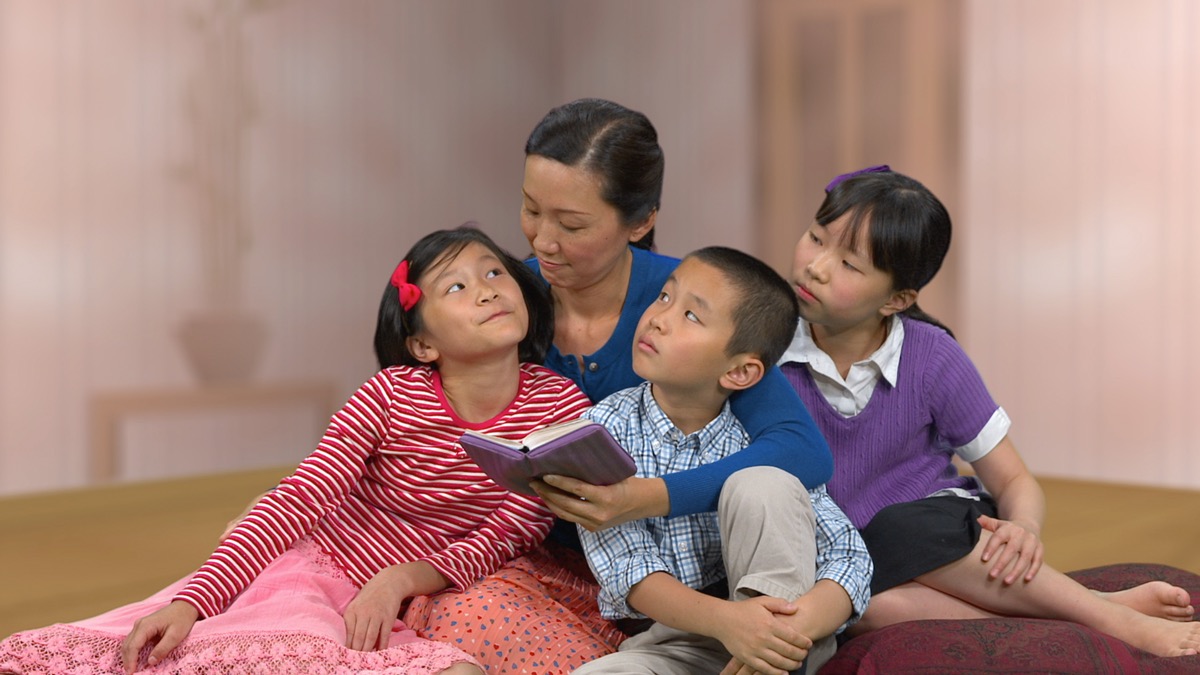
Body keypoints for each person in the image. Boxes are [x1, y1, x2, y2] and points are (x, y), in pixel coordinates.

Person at [0, 225, 594, 674]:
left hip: (419, 592)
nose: (487, 292)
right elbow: (301, 496)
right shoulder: (390, 394)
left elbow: (511, 532)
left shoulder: (560, 403)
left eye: (494, 274)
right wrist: (193, 601)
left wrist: (399, 581)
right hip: (319, 575)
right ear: (421, 344)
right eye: (457, 287)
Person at [395, 98, 836, 672]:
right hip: (540, 561)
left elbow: (801, 452)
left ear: (640, 221)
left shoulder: (687, 305)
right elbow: (414, 415)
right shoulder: (501, 302)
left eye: (571, 224)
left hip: (692, 573)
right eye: (531, 210)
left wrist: (645, 497)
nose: (542, 241)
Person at [778, 165, 1200, 657]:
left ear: (897, 299)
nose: (816, 266)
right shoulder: (765, 348)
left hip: (939, 527)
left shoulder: (931, 355)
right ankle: (1091, 607)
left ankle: (1117, 622)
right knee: (864, 607)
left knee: (897, 528)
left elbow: (1014, 479)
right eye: (815, 238)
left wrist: (1025, 528)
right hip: (851, 555)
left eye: (850, 264)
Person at [572, 247, 872, 675]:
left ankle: (768, 665)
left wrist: (783, 632)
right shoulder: (603, 430)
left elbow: (848, 557)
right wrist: (731, 624)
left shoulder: (762, 441)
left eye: (691, 316)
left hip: (789, 634)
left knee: (761, 483)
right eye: (664, 297)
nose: (659, 318)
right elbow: (629, 569)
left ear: (739, 372)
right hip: (678, 640)